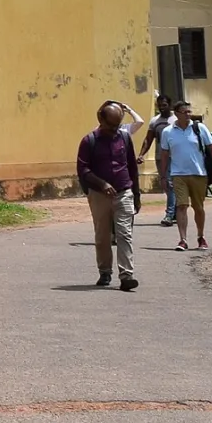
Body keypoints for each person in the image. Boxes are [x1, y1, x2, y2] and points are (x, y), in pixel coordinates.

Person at [76, 102, 141, 290]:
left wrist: (136, 194)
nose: (115, 129)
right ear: (100, 119)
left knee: (124, 234)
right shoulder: (89, 141)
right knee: (103, 235)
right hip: (99, 195)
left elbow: (132, 167)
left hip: (124, 192)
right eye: (111, 125)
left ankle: (126, 275)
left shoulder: (125, 138)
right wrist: (101, 184)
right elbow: (83, 169)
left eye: (118, 125)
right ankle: (105, 271)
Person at [157, 98, 212, 251]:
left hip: (199, 173)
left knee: (198, 207)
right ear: (176, 114)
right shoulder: (168, 132)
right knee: (181, 206)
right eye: (185, 112)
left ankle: (200, 236)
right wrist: (163, 176)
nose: (188, 115)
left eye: (189, 111)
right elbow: (164, 155)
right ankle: (182, 239)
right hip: (178, 174)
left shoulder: (199, 128)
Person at [141, 96, 178, 225]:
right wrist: (142, 155)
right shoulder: (154, 121)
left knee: (171, 184)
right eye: (160, 105)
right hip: (160, 157)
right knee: (166, 186)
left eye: (164, 105)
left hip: (175, 157)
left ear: (169, 105)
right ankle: (176, 212)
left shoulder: (176, 120)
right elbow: (148, 139)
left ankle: (169, 214)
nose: (162, 107)